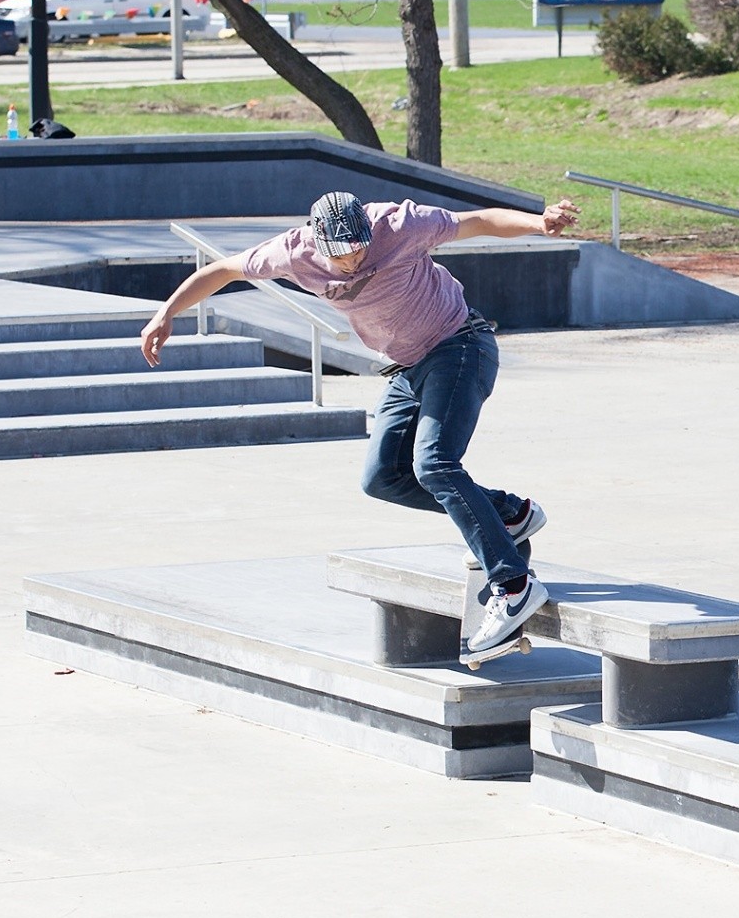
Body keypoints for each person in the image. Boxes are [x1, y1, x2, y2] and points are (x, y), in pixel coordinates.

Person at [138, 190, 581, 659]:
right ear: (319, 244)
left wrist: (539, 223)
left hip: (459, 346)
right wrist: (165, 314)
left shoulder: (400, 225)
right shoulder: (292, 252)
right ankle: (507, 514)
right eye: (341, 257)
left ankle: (513, 585)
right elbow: (221, 270)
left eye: (359, 251)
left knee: (434, 463)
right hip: (405, 368)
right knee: (382, 478)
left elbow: (478, 220)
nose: (351, 265)